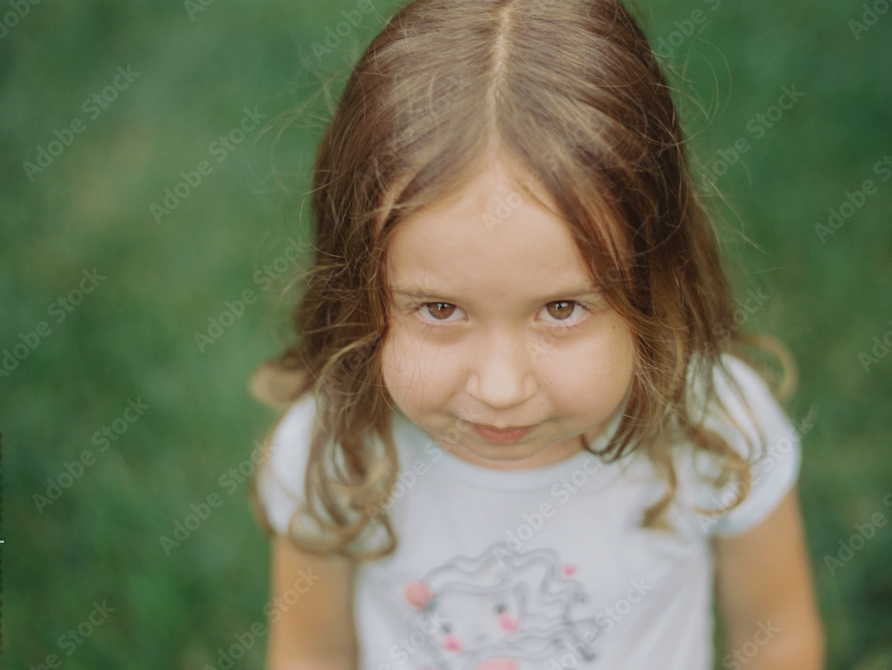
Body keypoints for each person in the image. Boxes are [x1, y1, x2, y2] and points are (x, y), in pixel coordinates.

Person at [250, 0, 825, 668]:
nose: (500, 388)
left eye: (561, 309)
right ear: (356, 290)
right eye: (438, 310)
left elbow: (777, 638)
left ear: (655, 280)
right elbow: (310, 656)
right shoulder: (334, 454)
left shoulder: (716, 426)